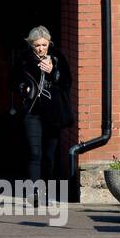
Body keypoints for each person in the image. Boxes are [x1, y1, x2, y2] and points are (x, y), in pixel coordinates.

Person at [16, 26, 73, 195]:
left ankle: (45, 190)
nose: (41, 48)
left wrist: (53, 72)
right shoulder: (24, 59)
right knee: (35, 152)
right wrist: (23, 88)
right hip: (32, 111)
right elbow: (14, 80)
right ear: (31, 45)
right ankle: (34, 192)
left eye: (44, 45)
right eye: (37, 45)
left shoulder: (57, 57)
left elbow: (67, 82)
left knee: (49, 155)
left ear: (49, 43)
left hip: (53, 112)